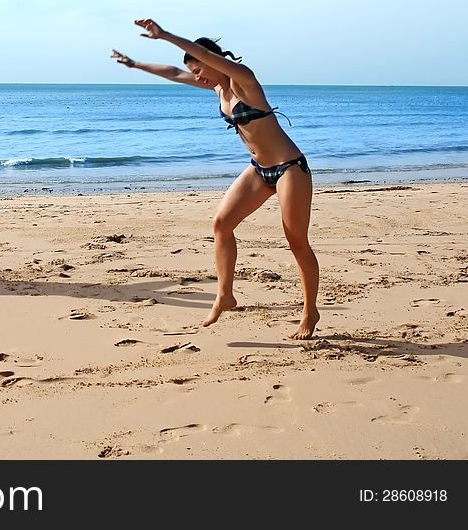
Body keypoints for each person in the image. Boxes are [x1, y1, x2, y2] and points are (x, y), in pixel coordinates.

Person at [111, 19, 319, 339]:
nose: (197, 76)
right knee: (221, 224)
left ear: (210, 61)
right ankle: (225, 294)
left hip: (290, 168)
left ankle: (309, 311)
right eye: (195, 71)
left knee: (296, 242)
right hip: (260, 170)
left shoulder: (244, 81)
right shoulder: (218, 87)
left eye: (200, 68)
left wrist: (165, 35)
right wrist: (134, 63)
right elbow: (174, 73)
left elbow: (201, 58)